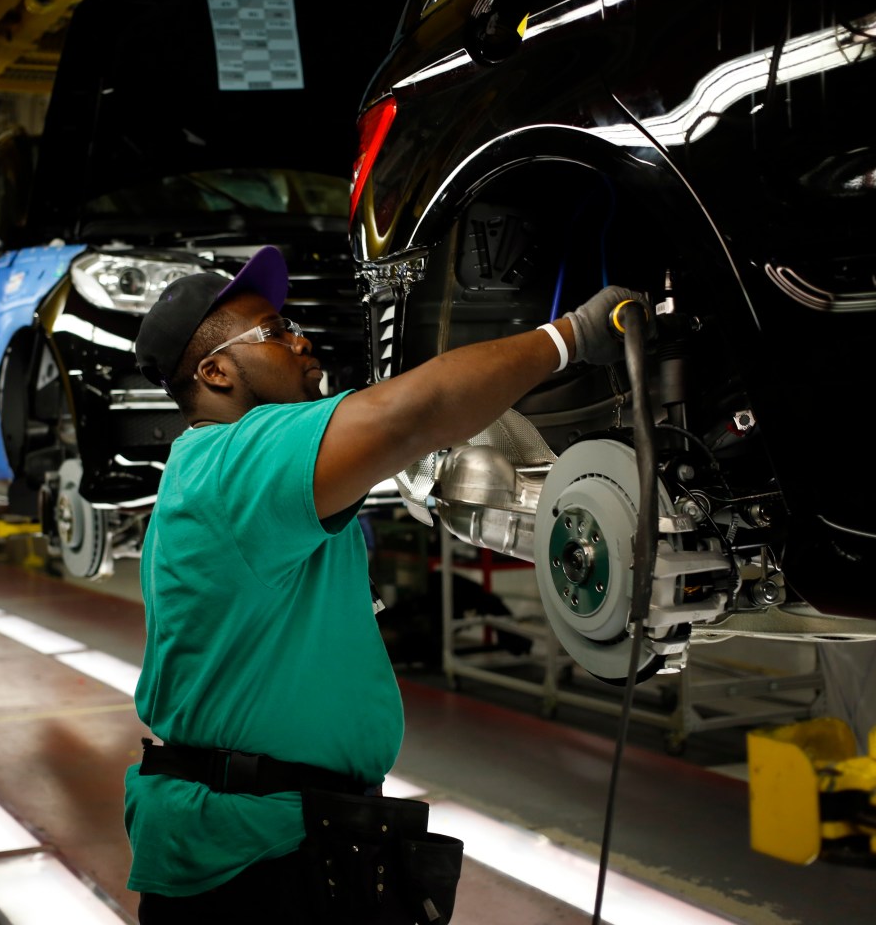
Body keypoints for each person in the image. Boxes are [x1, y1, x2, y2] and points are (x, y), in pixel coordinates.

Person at [125, 245, 648, 923]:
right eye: (275, 332)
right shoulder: (232, 456)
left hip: (291, 832)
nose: (301, 338)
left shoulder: (228, 471)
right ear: (217, 371)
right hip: (255, 861)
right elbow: (412, 413)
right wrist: (570, 336)